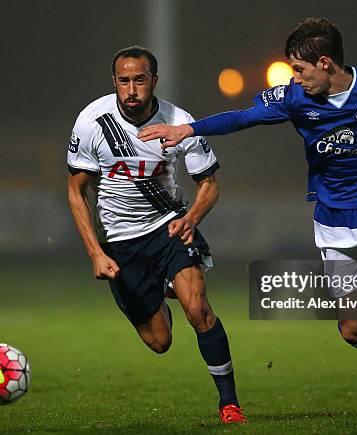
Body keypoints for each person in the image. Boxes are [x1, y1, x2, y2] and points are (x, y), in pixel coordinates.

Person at [138, 18, 357, 427]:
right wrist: (187, 129)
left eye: (300, 70)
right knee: (352, 330)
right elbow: (243, 117)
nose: (296, 78)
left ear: (325, 63)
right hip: (333, 220)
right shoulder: (294, 98)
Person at [66, 46, 246, 424]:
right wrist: (96, 253)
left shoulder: (179, 121)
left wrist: (192, 217)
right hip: (121, 242)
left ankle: (229, 404)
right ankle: (161, 293)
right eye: (124, 81)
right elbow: (76, 191)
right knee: (160, 342)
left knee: (198, 309)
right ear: (115, 82)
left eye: (140, 80)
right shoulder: (91, 121)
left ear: (154, 81)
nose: (132, 89)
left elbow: (209, 183)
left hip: (171, 228)